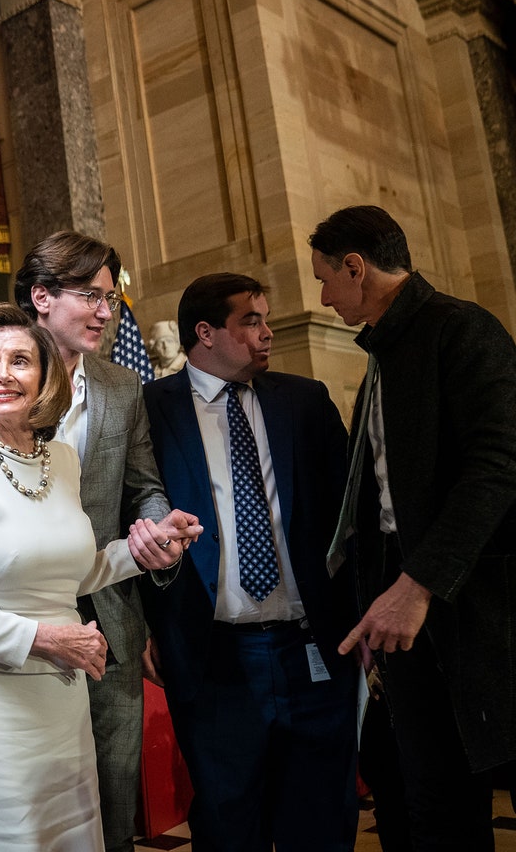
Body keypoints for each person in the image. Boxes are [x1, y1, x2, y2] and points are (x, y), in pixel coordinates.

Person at [0, 231, 199, 852]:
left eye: (111, 298)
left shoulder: (120, 388)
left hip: (107, 617)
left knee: (105, 798)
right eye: (92, 297)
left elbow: (144, 486)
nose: (107, 312)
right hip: (4, 627)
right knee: (20, 807)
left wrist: (156, 535)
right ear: (42, 298)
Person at [310, 204, 516, 850]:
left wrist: (417, 585)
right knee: (435, 800)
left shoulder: (461, 330)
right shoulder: (383, 353)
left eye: (325, 279)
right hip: (406, 619)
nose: (320, 296)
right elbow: (379, 505)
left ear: (356, 267)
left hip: (480, 610)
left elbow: (498, 466)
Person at [136, 272, 358, 851]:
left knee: (322, 822)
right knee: (229, 823)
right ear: (204, 333)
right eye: (251, 321)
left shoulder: (304, 402)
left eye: (266, 318)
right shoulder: (149, 409)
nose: (267, 333)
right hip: (213, 658)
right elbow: (124, 518)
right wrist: (140, 628)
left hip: (312, 650)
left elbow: (346, 517)